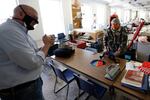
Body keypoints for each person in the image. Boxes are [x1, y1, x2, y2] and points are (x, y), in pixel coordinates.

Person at [0, 4, 55, 100]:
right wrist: (47, 45)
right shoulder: (9, 31)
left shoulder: (20, 31)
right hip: (21, 90)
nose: (36, 22)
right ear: (20, 13)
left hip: (29, 86)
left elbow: (31, 53)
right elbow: (32, 62)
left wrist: (45, 46)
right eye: (34, 18)